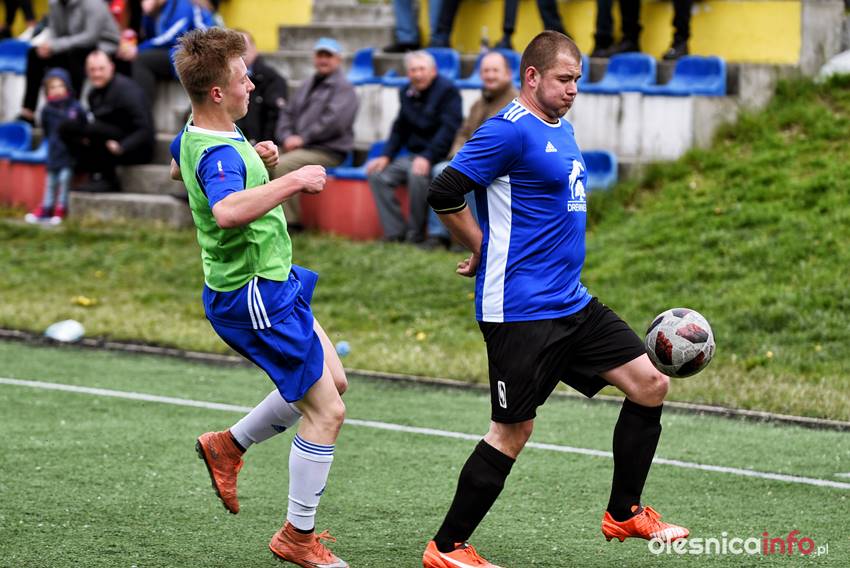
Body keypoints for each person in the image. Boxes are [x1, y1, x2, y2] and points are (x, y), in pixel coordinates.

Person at [422, 31, 688, 567]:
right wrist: (481, 246)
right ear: (532, 76)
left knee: (650, 384)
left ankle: (624, 512)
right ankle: (446, 549)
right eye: (564, 79)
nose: (573, 90)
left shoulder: (561, 127)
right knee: (512, 431)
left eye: (577, 81)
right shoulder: (507, 131)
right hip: (520, 310)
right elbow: (444, 191)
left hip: (571, 302)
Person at [169, 27, 349, 568]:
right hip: (253, 295)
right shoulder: (219, 153)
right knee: (328, 411)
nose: (251, 84)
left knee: (333, 381)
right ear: (216, 92)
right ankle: (297, 536)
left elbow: (185, 167)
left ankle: (228, 445)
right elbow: (226, 210)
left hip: (274, 279)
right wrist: (291, 180)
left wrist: (259, 162)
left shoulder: (206, 132)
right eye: (242, 77)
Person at [424, 50, 517, 249]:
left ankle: (463, 238)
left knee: (450, 173)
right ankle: (440, 236)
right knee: (444, 170)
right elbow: (463, 133)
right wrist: (457, 155)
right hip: (472, 160)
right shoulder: (479, 103)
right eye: (485, 71)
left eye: (495, 70)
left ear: (508, 74)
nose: (489, 75)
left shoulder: (514, 104)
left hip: (499, 167)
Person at [366, 50, 461, 244]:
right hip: (413, 156)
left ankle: (415, 234)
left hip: (439, 156)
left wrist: (427, 156)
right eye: (413, 70)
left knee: (416, 173)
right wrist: (386, 156)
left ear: (433, 71)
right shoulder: (406, 92)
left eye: (421, 69)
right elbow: (399, 128)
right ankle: (395, 233)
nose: (417, 74)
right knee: (377, 174)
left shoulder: (448, 91)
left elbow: (448, 130)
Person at [273, 37, 357, 229]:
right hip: (300, 147)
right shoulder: (308, 83)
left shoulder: (344, 88)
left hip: (327, 150)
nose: (323, 60)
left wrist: (302, 139)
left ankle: (291, 223)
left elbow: (335, 123)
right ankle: (265, 216)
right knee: (265, 160)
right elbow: (287, 113)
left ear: (338, 59)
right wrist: (286, 136)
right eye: (320, 55)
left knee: (283, 165)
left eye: (328, 56)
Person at [58, 50, 154, 192]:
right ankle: (88, 171)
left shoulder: (127, 91)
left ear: (111, 67)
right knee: (68, 127)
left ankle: (108, 179)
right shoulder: (93, 94)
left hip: (136, 148)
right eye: (92, 70)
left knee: (94, 129)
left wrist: (122, 146)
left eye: (101, 69)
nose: (97, 74)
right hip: (110, 140)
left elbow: (145, 129)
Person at [18, 0, 120, 124]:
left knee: (75, 56)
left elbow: (90, 37)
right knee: (35, 54)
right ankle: (28, 112)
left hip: (102, 46)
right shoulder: (54, 4)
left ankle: (71, 110)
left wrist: (56, 46)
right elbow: (54, 32)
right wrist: (48, 46)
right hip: (69, 46)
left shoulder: (93, 3)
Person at [115, 0, 214, 105]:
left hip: (200, 54)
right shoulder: (158, 10)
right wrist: (147, 15)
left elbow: (172, 36)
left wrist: (138, 49)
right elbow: (151, 36)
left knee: (141, 60)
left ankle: (142, 110)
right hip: (179, 52)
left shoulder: (183, 4)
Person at [24, 68, 85, 225]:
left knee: (64, 180)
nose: (57, 90)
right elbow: (46, 130)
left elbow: (83, 125)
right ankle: (46, 208)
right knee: (50, 183)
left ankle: (61, 208)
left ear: (67, 86)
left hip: (69, 153)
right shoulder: (47, 110)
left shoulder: (75, 108)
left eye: (60, 86)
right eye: (52, 87)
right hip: (53, 153)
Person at [235, 29, 288, 145]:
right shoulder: (219, 79)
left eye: (243, 47)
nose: (239, 53)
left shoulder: (272, 79)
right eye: (234, 48)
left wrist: (264, 146)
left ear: (255, 49)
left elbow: (276, 118)